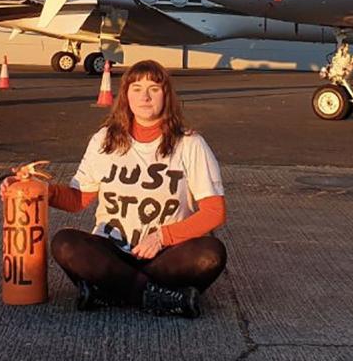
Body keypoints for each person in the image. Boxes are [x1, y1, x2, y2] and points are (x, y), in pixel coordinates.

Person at [46, 59, 227, 318]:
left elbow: (214, 212)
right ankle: (158, 296)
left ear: (166, 96)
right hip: (113, 253)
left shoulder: (190, 143)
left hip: (165, 257)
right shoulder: (104, 139)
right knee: (65, 243)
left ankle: (108, 292)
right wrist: (41, 190)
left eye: (154, 88)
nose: (145, 96)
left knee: (210, 253)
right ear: (126, 96)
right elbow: (78, 198)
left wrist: (163, 237)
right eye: (136, 88)